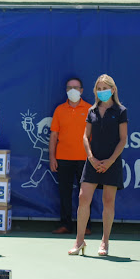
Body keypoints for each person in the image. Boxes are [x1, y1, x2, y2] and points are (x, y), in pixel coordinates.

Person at [68, 74, 127, 256]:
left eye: (105, 88)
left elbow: (123, 139)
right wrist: (91, 158)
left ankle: (105, 242)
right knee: (83, 198)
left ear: (113, 90)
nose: (102, 92)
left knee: (108, 201)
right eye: (99, 89)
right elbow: (85, 137)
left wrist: (110, 161)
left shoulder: (121, 111)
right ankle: (79, 241)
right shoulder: (91, 111)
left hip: (112, 163)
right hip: (92, 162)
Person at [50, 78, 93, 235]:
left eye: (75, 87)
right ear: (66, 90)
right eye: (69, 87)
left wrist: (93, 157)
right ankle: (65, 225)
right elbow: (54, 136)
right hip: (63, 158)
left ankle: (86, 226)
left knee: (86, 195)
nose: (73, 90)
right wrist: (52, 157)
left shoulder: (90, 110)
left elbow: (94, 136)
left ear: (81, 90)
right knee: (64, 193)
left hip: (85, 160)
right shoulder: (59, 110)